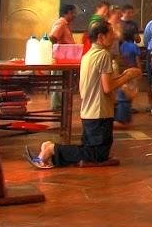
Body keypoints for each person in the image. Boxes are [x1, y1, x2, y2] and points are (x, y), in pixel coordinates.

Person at [29, 21, 139, 167]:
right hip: (99, 113)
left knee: (91, 151)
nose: (114, 36)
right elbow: (107, 87)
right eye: (111, 33)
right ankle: (51, 149)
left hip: (88, 111)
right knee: (97, 155)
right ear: (101, 37)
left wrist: (123, 76)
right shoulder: (103, 55)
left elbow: (102, 83)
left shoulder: (87, 56)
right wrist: (128, 76)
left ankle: (52, 152)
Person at [114, 20, 140, 125]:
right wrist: (139, 69)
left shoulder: (121, 46)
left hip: (123, 70)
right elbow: (137, 59)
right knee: (132, 91)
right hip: (133, 70)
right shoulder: (134, 47)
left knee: (123, 90)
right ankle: (127, 110)